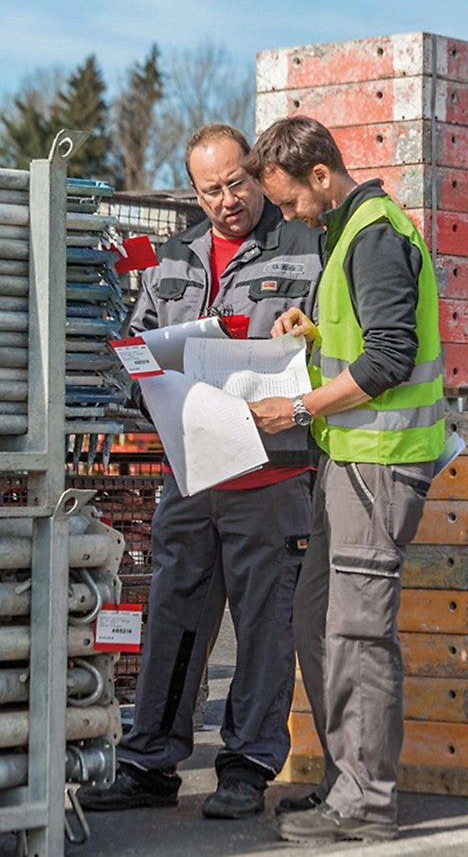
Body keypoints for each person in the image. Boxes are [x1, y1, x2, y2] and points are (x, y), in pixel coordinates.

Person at [77, 124, 323, 819]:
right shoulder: (175, 258)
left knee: (264, 626)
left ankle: (246, 765)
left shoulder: (307, 246)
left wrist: (308, 335)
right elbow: (138, 343)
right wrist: (139, 368)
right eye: (211, 190)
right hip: (190, 473)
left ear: (257, 175)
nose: (226, 201)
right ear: (194, 192)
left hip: (272, 477)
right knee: (175, 617)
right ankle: (151, 760)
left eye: (237, 183)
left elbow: (337, 337)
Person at [244, 116, 445, 844]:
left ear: (321, 176)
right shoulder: (348, 232)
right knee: (319, 621)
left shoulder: (375, 236)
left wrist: (298, 404)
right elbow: (363, 336)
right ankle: (345, 782)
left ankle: (366, 804)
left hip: (380, 465)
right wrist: (315, 333)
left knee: (358, 635)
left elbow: (390, 357)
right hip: (350, 463)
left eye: (292, 201)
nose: (291, 215)